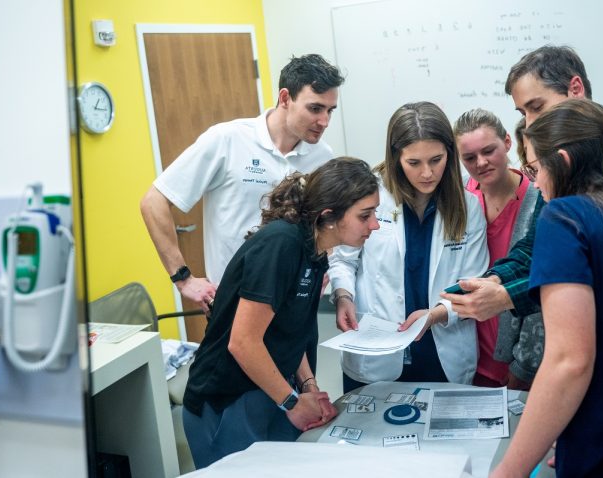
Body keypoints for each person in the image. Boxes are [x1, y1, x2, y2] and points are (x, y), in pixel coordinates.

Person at [181, 157, 380, 468]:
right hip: (227, 401)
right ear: (329, 216)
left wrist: (309, 387)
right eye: (365, 216)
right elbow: (243, 342)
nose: (375, 225)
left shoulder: (315, 250)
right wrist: (291, 403)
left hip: (272, 389)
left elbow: (291, 328)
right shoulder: (281, 245)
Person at [490, 100, 603, 478]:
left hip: (602, 439)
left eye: (535, 168)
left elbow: (569, 361)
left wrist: (508, 471)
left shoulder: (564, 218)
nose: (537, 181)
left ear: (561, 160)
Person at [140, 54, 345, 312]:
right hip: (235, 304)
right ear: (285, 98)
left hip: (295, 304)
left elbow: (324, 224)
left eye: (330, 110)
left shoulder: (322, 157)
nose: (324, 121)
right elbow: (154, 202)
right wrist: (183, 278)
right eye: (315, 108)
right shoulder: (227, 139)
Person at [328, 102, 489, 392]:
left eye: (436, 160)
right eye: (414, 163)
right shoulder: (372, 196)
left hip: (441, 351)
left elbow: (475, 284)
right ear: (396, 157)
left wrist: (436, 314)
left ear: (449, 155)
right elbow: (343, 258)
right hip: (376, 348)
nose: (427, 173)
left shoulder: (468, 206)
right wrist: (343, 296)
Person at [444, 45, 590, 332]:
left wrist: (506, 296)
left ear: (575, 89)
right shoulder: (561, 171)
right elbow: (534, 248)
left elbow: (582, 268)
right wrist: (495, 280)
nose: (530, 124)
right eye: (524, 113)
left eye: (536, 107)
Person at [453, 111, 543, 390]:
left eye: (488, 151)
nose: (480, 163)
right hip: (467, 355)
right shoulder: (460, 200)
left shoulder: (539, 198)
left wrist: (523, 367)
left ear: (506, 142)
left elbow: (538, 285)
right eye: (469, 158)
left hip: (518, 360)